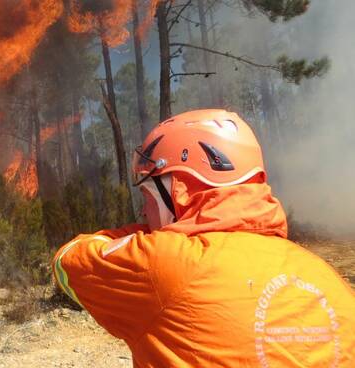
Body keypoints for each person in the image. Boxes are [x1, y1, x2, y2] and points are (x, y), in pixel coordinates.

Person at [52, 109, 354, 367]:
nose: (143, 212)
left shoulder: (163, 262)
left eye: (147, 194)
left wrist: (159, 236)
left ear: (177, 191)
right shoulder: (328, 278)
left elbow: (67, 262)